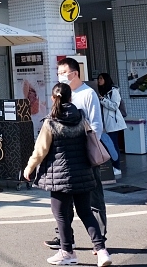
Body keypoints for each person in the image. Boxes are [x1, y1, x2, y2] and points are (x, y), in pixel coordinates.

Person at [23, 83, 112, 267]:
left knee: (61, 215)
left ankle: (67, 252)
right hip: (83, 173)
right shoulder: (81, 117)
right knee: (86, 212)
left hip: (60, 176)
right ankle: (102, 251)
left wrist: (29, 168)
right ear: (70, 98)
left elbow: (40, 151)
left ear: (53, 98)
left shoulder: (50, 122)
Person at [47, 58, 106, 251]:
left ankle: (100, 238)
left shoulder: (88, 94)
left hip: (85, 156)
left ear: (75, 73)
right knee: (65, 201)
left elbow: (97, 125)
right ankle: (64, 238)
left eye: (64, 72)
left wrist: (88, 146)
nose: (61, 76)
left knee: (93, 198)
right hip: (65, 157)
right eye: (59, 73)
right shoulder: (61, 94)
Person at [95, 73, 126, 178]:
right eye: (98, 78)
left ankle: (116, 167)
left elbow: (114, 106)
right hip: (103, 124)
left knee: (113, 145)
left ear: (106, 79)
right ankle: (110, 166)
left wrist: (102, 99)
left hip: (112, 123)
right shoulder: (100, 91)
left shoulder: (113, 91)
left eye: (101, 78)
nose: (99, 80)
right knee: (106, 145)